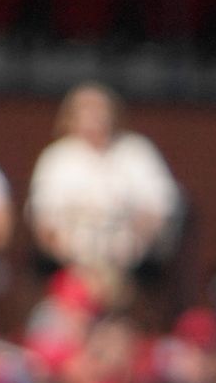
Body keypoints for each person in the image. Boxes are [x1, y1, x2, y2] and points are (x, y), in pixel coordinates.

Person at [26, 84, 179, 298]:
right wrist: (80, 266)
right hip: (70, 264)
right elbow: (44, 222)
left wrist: (125, 256)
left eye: (100, 109)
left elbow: (158, 210)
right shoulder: (56, 158)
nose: (95, 117)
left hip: (131, 264)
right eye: (86, 110)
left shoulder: (137, 152)